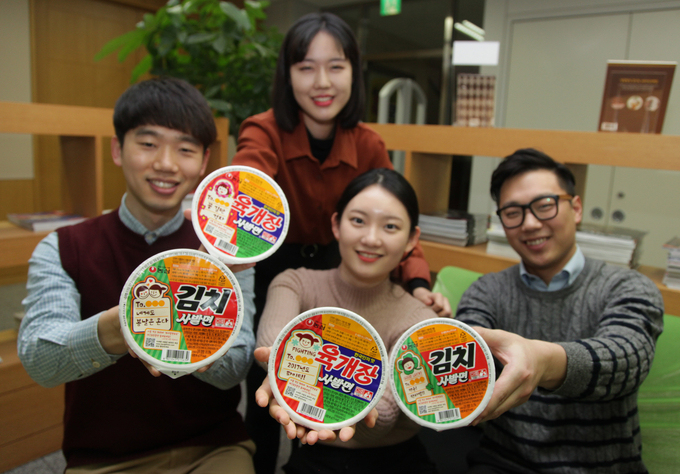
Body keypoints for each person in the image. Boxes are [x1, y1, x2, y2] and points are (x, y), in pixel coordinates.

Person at [231, 13, 449, 471]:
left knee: (336, 373)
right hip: (278, 270)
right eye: (306, 67)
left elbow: (394, 213)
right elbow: (249, 177)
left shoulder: (367, 142)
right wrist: (236, 195)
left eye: (336, 66)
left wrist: (417, 283)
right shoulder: (263, 129)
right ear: (287, 75)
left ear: (354, 72)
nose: (322, 82)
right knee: (266, 387)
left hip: (341, 267)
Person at [18, 77, 257, 473]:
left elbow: (236, 368)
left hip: (212, 447)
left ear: (203, 162)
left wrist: (201, 308)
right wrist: (121, 328)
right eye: (148, 143)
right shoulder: (64, 247)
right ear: (117, 149)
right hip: (105, 458)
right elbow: (40, 359)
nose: (166, 163)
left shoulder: (226, 249)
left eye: (185, 149)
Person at [455, 148, 664, 473]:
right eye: (513, 212)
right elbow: (465, 360)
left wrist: (541, 361)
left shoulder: (628, 287)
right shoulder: (486, 291)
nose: (530, 223)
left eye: (544, 205)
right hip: (503, 462)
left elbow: (628, 360)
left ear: (576, 208)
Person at [254, 168, 440, 474]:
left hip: (396, 461)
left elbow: (382, 416)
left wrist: (305, 381)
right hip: (315, 455)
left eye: (390, 226)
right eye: (358, 221)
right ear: (336, 225)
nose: (371, 238)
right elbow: (270, 346)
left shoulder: (419, 320)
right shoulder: (295, 283)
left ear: (411, 240)